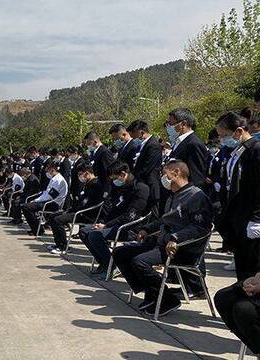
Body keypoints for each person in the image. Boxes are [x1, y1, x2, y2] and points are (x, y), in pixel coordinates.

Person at [113, 160, 213, 317]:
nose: (162, 177)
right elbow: (164, 220)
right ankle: (153, 293)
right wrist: (146, 229)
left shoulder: (196, 196)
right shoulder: (173, 196)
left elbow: (200, 228)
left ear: (176, 173)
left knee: (140, 261)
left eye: (165, 173)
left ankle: (167, 299)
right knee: (120, 253)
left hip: (182, 248)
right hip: (163, 243)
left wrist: (176, 238)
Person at [214, 111, 260, 356]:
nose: (221, 140)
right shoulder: (237, 152)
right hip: (238, 223)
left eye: (224, 136)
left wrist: (257, 218)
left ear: (239, 132)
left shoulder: (255, 149)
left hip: (251, 224)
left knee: (252, 278)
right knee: (243, 277)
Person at [79, 160, 149, 278]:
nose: (113, 181)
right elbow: (113, 208)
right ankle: (104, 263)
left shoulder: (140, 188)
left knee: (95, 236)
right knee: (83, 231)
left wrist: (107, 226)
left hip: (130, 228)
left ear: (122, 174)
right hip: (116, 224)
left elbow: (130, 216)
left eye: (115, 178)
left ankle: (112, 266)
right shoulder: (120, 187)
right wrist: (103, 222)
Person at [47, 163, 104, 255]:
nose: (80, 177)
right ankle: (58, 243)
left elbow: (88, 203)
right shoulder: (88, 183)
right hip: (80, 210)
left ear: (86, 173)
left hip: (87, 214)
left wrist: (75, 210)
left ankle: (63, 246)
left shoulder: (95, 184)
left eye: (80, 174)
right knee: (53, 216)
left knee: (58, 220)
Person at [22, 159, 68, 236]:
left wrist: (36, 200)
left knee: (26, 208)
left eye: (48, 171)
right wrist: (36, 200)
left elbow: (50, 196)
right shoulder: (54, 179)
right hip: (48, 201)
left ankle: (37, 230)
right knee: (27, 206)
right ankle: (37, 229)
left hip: (53, 203)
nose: (47, 173)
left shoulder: (58, 180)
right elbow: (46, 193)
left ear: (52, 170)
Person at [165, 108, 209, 188]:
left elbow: (197, 176)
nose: (169, 127)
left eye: (171, 124)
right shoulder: (178, 142)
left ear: (183, 124)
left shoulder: (193, 144)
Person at [127, 120, 162, 212]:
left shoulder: (153, 145)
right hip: (143, 185)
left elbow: (146, 168)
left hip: (150, 185)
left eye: (134, 138)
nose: (133, 140)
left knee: (152, 213)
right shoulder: (144, 145)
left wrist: (132, 178)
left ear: (141, 133)